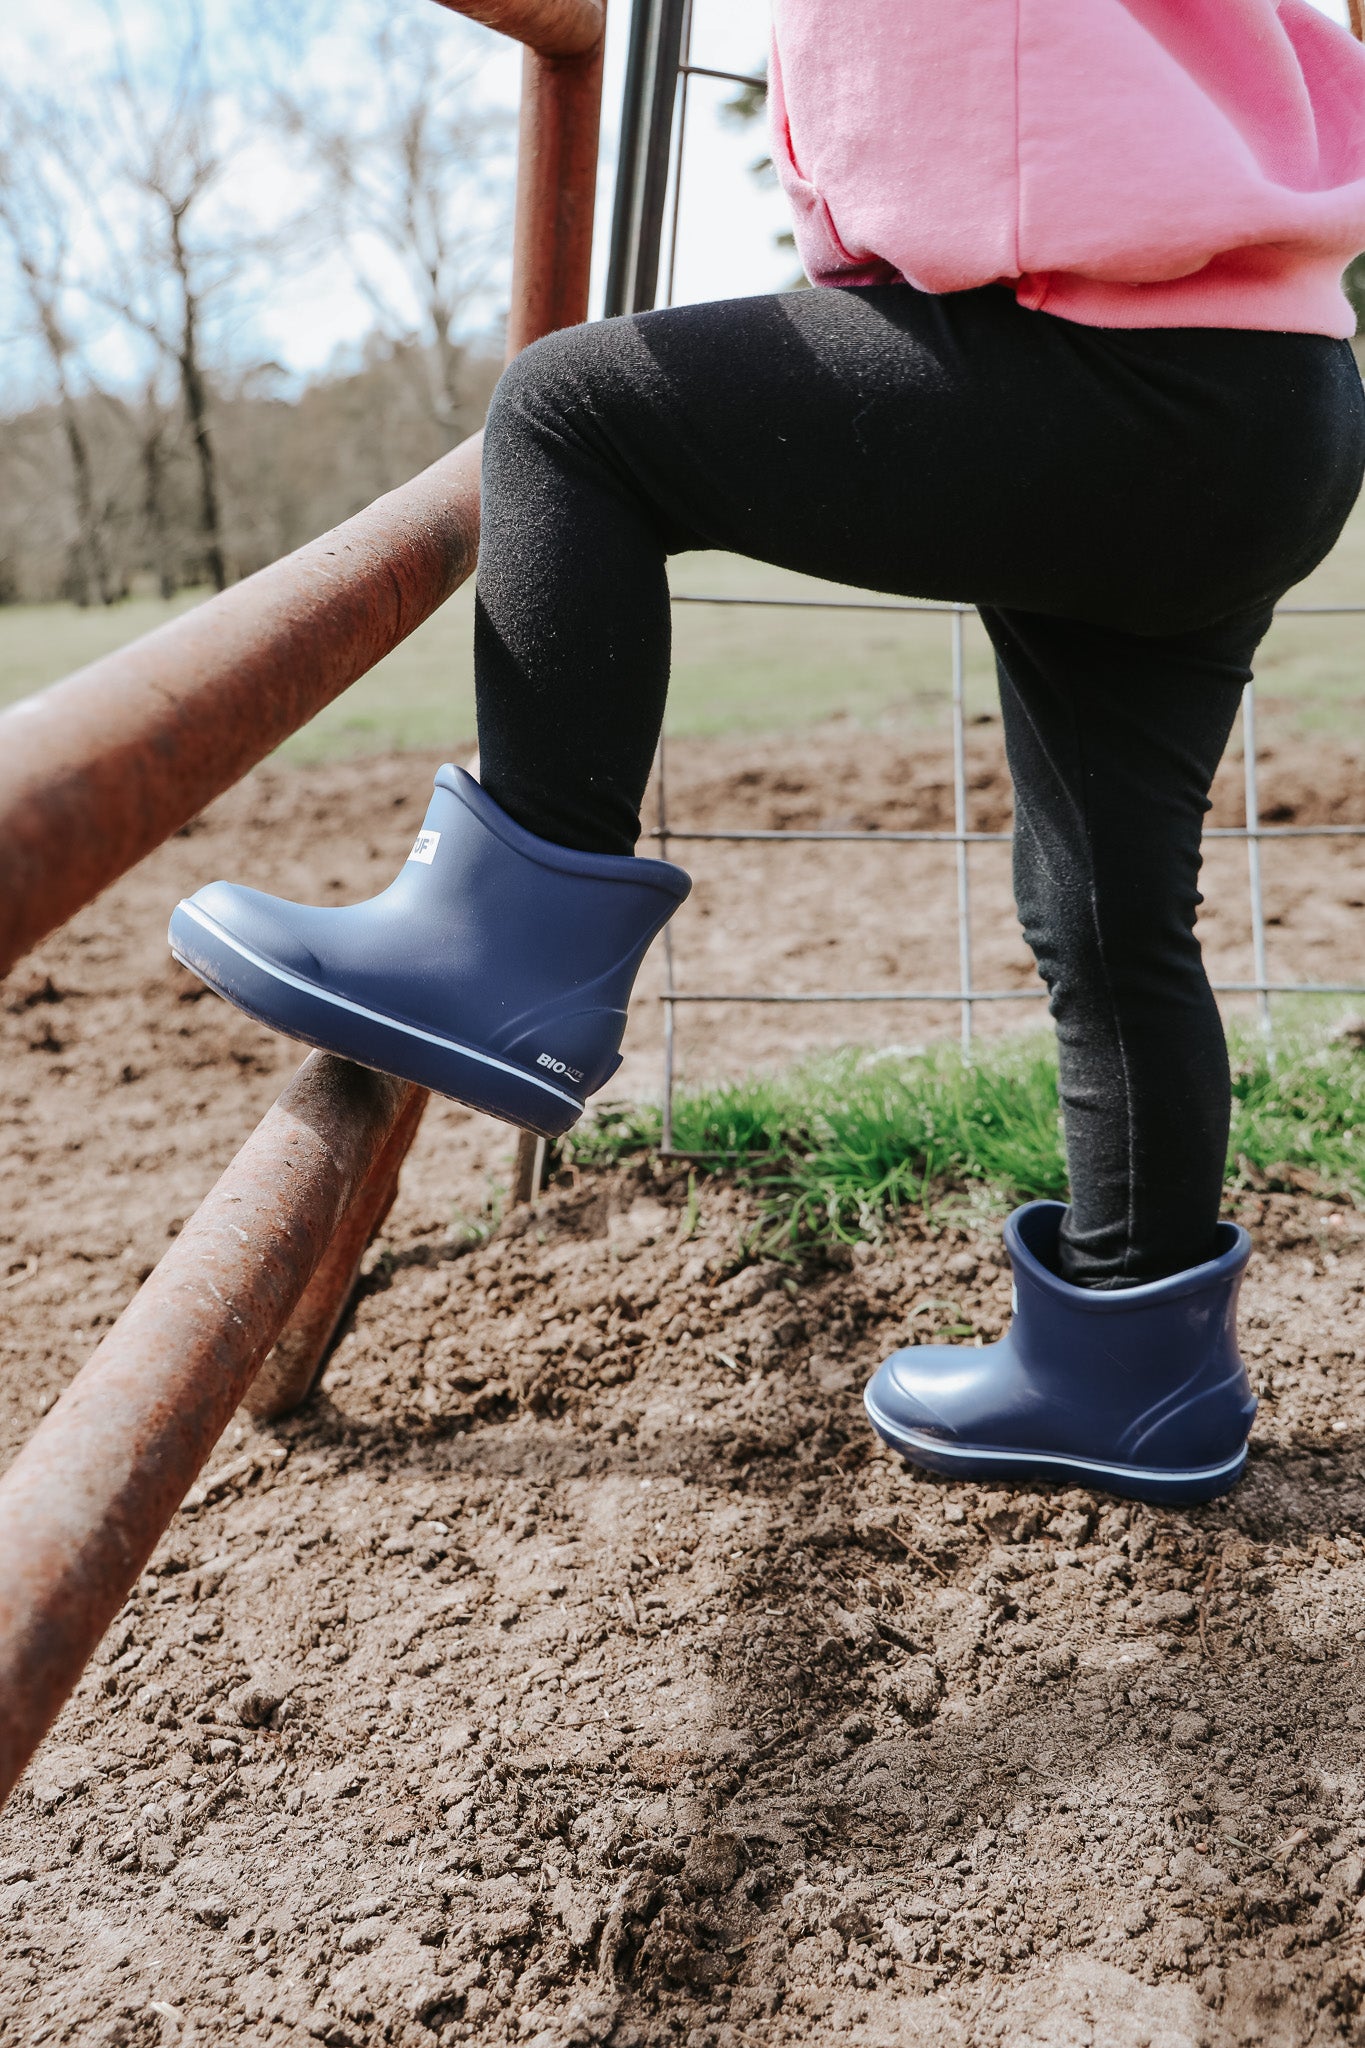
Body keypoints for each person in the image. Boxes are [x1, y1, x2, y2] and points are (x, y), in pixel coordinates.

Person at [170, 0, 1365, 1504]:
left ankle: (503, 960)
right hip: (1271, 395)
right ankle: (1139, 1382)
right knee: (1113, 915)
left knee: (574, 414)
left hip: (1099, 367)